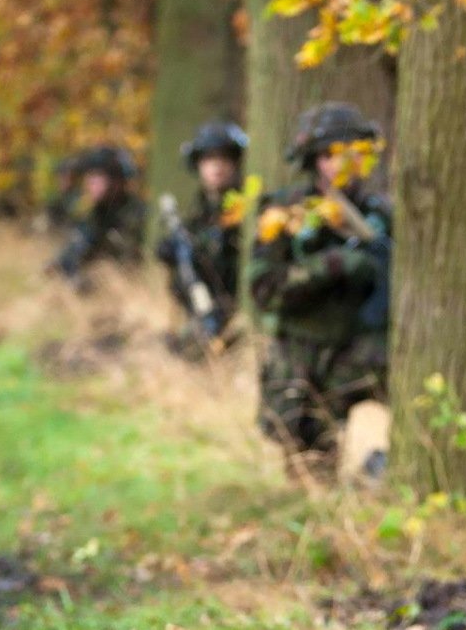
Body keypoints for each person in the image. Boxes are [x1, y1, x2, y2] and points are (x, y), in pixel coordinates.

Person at [247, 102, 391, 475]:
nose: (340, 164)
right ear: (313, 160)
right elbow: (263, 288)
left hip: (363, 350)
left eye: (351, 154)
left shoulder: (381, 216)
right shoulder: (284, 214)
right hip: (302, 354)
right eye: (329, 155)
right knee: (309, 467)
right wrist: (332, 265)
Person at [156, 121, 247, 349]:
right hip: (202, 308)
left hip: (235, 309)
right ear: (198, 165)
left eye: (224, 158)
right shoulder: (198, 211)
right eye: (209, 159)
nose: (217, 166)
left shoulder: (245, 206)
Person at [52, 146, 145, 281]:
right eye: (90, 175)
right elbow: (76, 250)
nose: (91, 182)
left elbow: (134, 263)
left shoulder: (136, 214)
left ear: (118, 181)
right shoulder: (94, 213)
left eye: (99, 176)